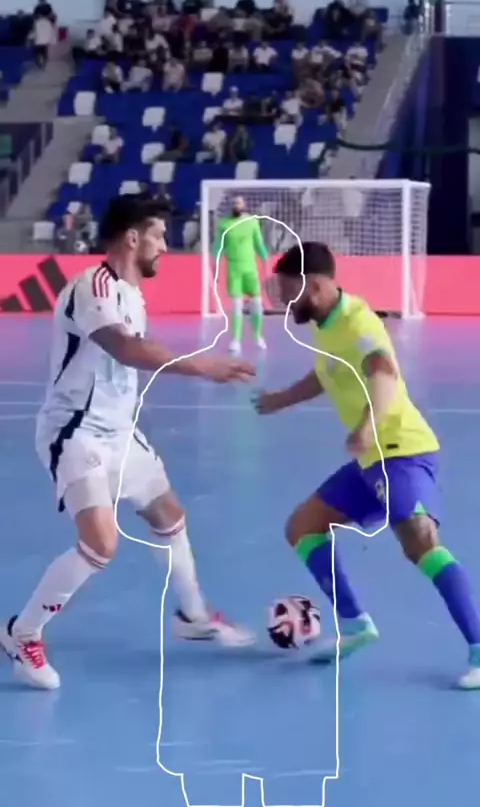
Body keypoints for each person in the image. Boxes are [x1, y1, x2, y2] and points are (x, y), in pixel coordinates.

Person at [0, 196, 256, 691]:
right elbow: (125, 348)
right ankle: (22, 633)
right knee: (102, 543)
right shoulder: (91, 287)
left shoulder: (133, 295)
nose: (165, 246)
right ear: (133, 238)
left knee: (169, 515)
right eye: (159, 236)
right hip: (76, 432)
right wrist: (202, 366)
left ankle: (194, 616)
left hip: (120, 431)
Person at [254, 241, 480, 689]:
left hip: (399, 448)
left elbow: (383, 375)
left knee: (420, 542)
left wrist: (366, 426)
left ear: (315, 286)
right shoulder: (326, 324)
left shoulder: (359, 324)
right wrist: (281, 399)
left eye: (289, 289)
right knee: (303, 527)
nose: (284, 299)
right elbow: (327, 373)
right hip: (371, 457)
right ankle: (356, 625)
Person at [213, 196, 269, 354]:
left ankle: (258, 336)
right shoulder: (224, 224)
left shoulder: (252, 222)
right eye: (234, 203)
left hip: (250, 270)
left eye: (238, 203)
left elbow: (259, 244)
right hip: (234, 270)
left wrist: (266, 262)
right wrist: (215, 265)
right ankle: (236, 340)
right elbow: (218, 247)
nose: (236, 205)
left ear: (244, 205)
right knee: (237, 306)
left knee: (256, 304)